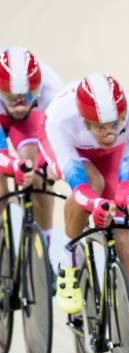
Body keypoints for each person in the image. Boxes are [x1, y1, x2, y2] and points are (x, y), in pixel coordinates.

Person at [39, 73, 129, 313]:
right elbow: (80, 188)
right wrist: (95, 203)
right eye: (101, 127)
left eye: (115, 124)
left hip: (112, 156)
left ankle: (124, 312)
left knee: (121, 236)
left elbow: (127, 180)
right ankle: (68, 261)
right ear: (84, 120)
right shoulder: (61, 119)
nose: (109, 132)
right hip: (71, 150)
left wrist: (125, 200)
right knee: (93, 183)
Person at [0, 47, 64, 251]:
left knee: (39, 179)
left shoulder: (51, 87)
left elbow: (57, 138)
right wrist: (11, 165)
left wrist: (49, 167)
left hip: (30, 121)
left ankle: (43, 247)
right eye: (12, 97)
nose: (20, 104)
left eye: (28, 96)